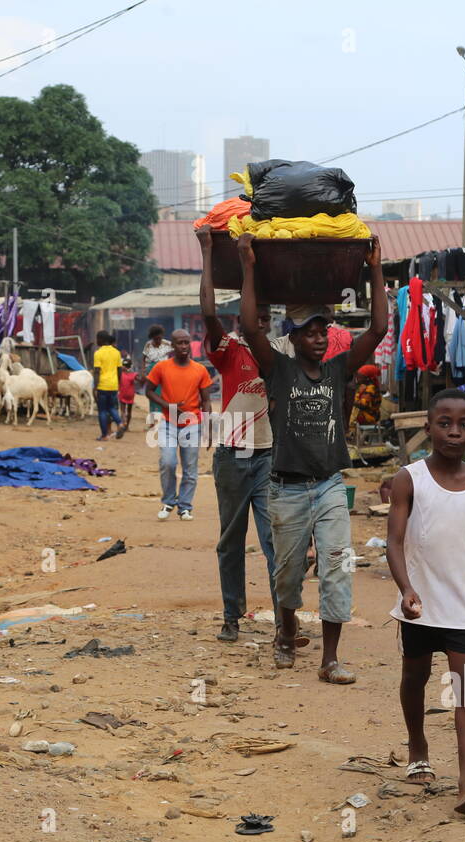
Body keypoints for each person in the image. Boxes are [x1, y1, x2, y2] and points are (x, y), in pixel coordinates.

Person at [236, 231, 388, 683]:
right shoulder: (278, 370)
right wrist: (247, 263)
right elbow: (249, 328)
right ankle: (284, 634)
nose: (321, 339)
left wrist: (376, 268)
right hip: (285, 489)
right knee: (287, 573)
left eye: (325, 331)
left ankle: (330, 659)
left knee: (339, 567)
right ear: (294, 338)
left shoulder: (340, 369)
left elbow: (377, 329)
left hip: (329, 488)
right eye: (311, 333)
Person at [386, 388, 465, 815]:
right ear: (428, 427)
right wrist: (406, 589)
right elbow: (394, 541)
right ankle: (417, 744)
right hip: (420, 605)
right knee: (415, 677)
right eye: (444, 424)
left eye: (464, 425)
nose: (454, 432)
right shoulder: (409, 478)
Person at [197, 225, 277, 644]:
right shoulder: (229, 349)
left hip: (268, 458)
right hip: (232, 456)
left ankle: (285, 624)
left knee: (273, 542)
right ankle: (232, 616)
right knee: (231, 541)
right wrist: (209, 252)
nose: (258, 323)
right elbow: (209, 313)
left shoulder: (281, 352)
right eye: (253, 317)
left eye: (265, 318)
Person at [144, 329, 212, 521]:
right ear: (171, 346)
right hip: (168, 423)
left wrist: (208, 427)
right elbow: (148, 390)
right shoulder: (161, 367)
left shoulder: (200, 370)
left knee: (190, 468)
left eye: (186, 342)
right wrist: (168, 406)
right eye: (179, 343)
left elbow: (206, 400)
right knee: (168, 462)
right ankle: (168, 501)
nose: (183, 346)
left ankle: (185, 507)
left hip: (193, 424)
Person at [92, 330, 125, 440]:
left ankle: (104, 435)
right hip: (113, 385)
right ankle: (120, 424)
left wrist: (95, 387)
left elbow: (97, 371)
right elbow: (119, 370)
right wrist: (119, 384)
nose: (96, 341)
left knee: (102, 410)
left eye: (97, 338)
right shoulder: (116, 352)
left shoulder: (98, 353)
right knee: (111, 407)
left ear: (101, 339)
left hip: (102, 385)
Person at [141, 325, 172, 426]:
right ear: (152, 337)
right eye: (155, 338)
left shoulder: (168, 344)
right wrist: (143, 372)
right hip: (152, 371)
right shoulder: (148, 345)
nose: (158, 340)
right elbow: (144, 358)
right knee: (152, 395)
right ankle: (152, 420)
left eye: (159, 338)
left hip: (165, 371)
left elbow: (177, 352)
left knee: (164, 395)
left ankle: (164, 418)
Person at [117, 357, 137, 433]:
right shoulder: (133, 374)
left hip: (122, 394)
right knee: (129, 411)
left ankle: (123, 423)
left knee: (122, 410)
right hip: (130, 394)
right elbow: (138, 379)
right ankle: (127, 426)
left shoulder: (120, 374)